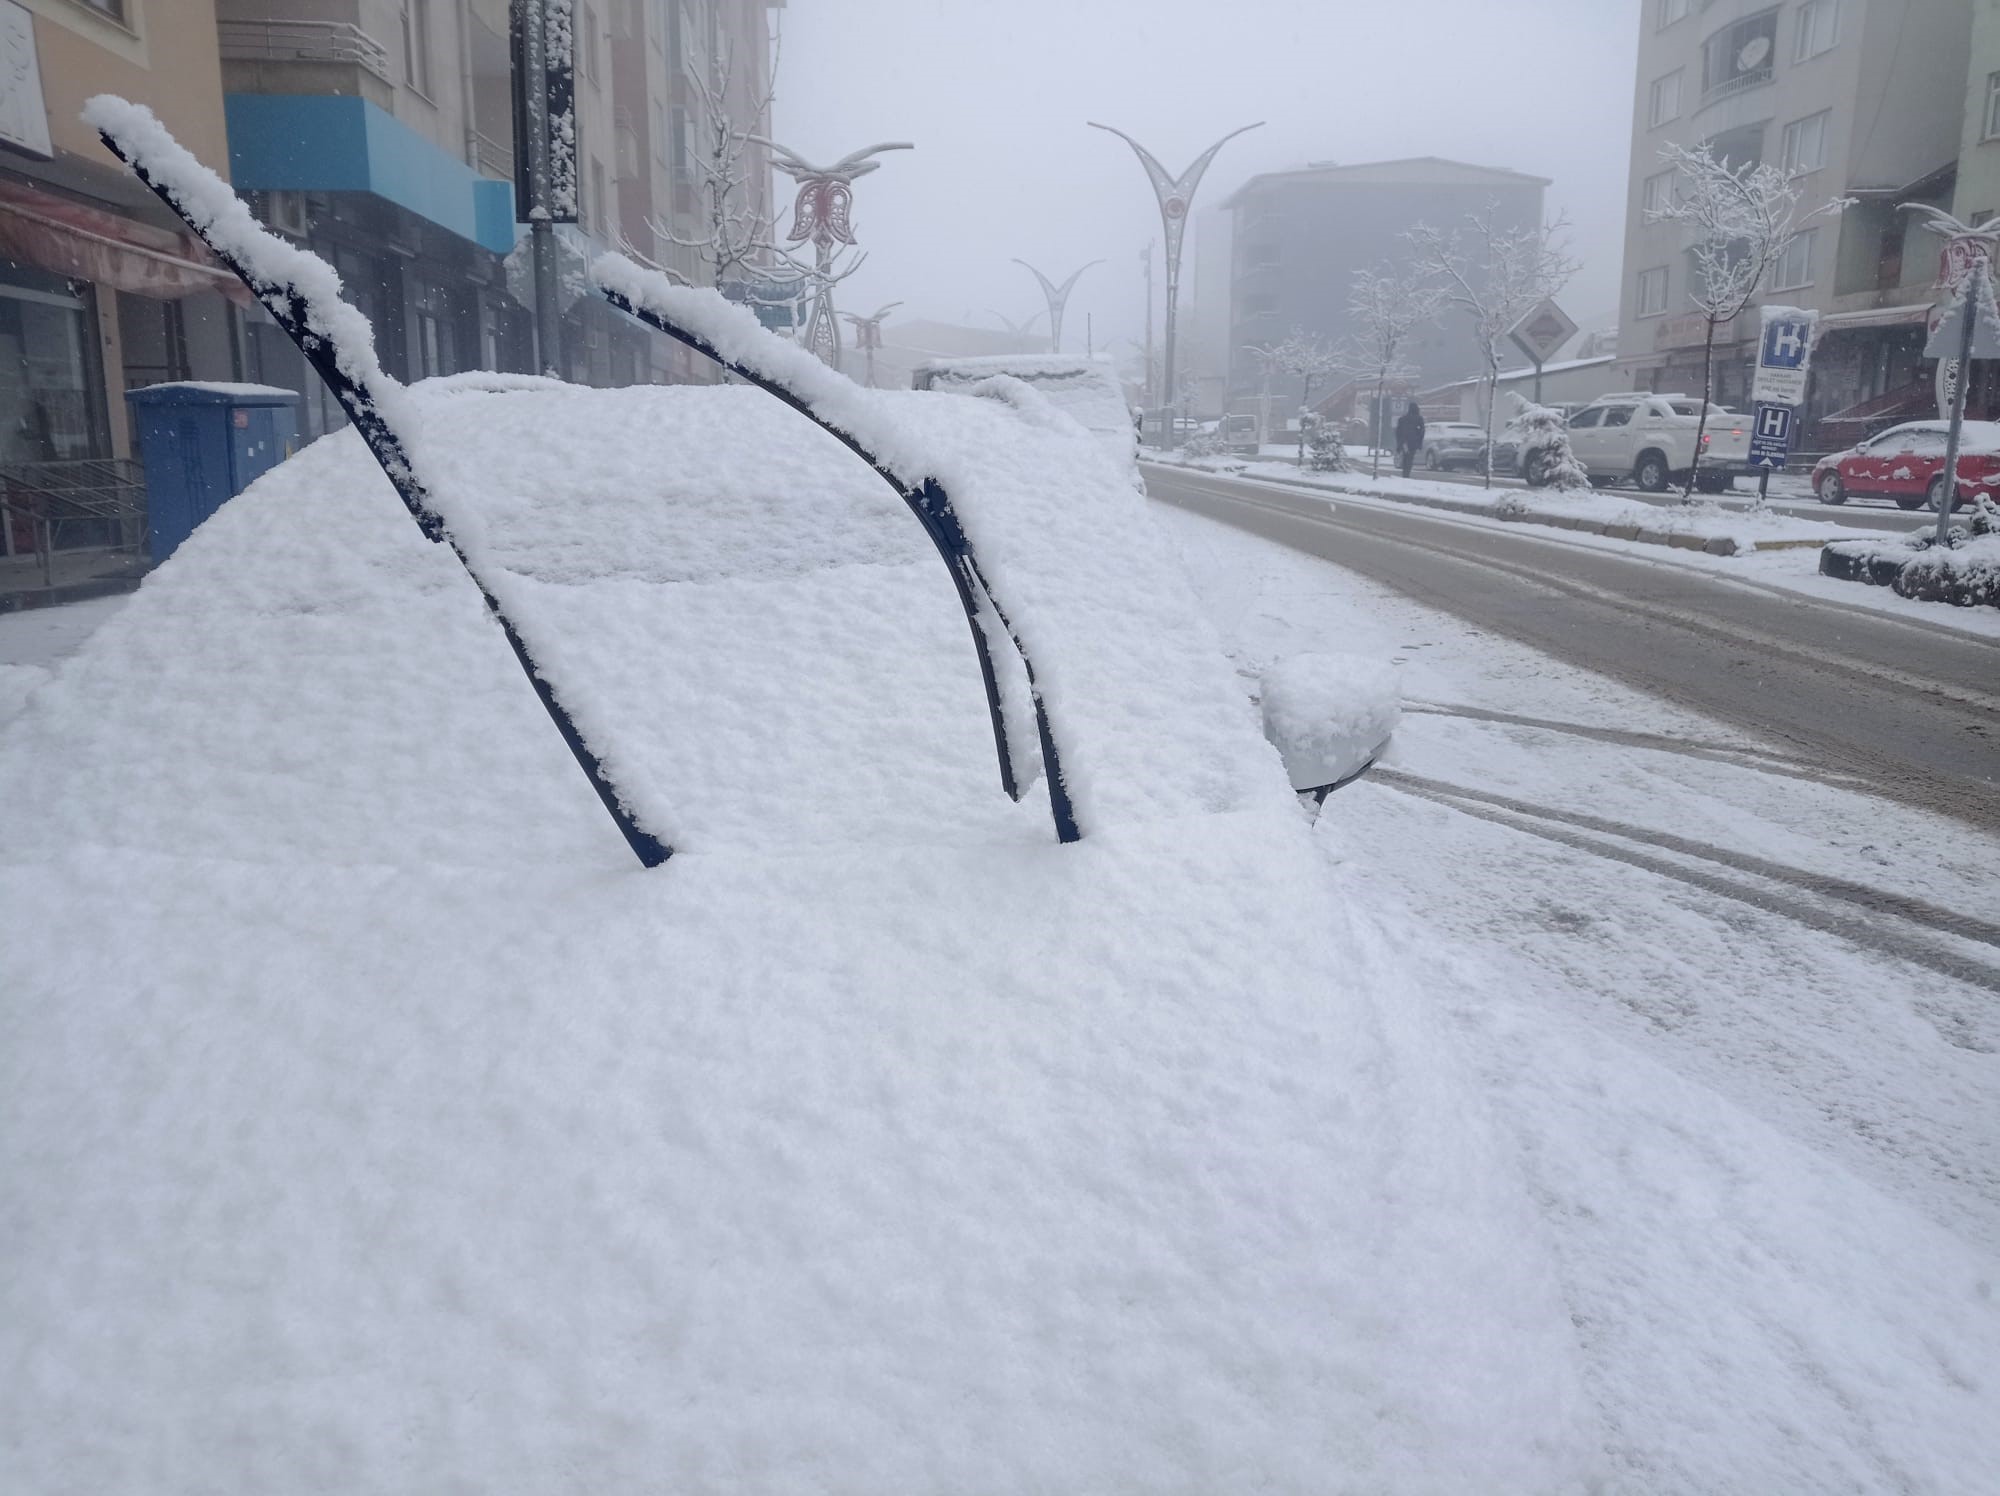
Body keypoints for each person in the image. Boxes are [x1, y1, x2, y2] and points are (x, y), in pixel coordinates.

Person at [1394, 401, 1425, 479]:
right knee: (1410, 457)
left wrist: (1399, 443)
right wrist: (1419, 442)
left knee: (1405, 456)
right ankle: (1407, 473)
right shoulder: (1419, 419)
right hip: (1413, 442)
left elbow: (1398, 432)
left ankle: (1405, 473)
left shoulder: (1402, 419)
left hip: (1404, 442)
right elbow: (1422, 431)